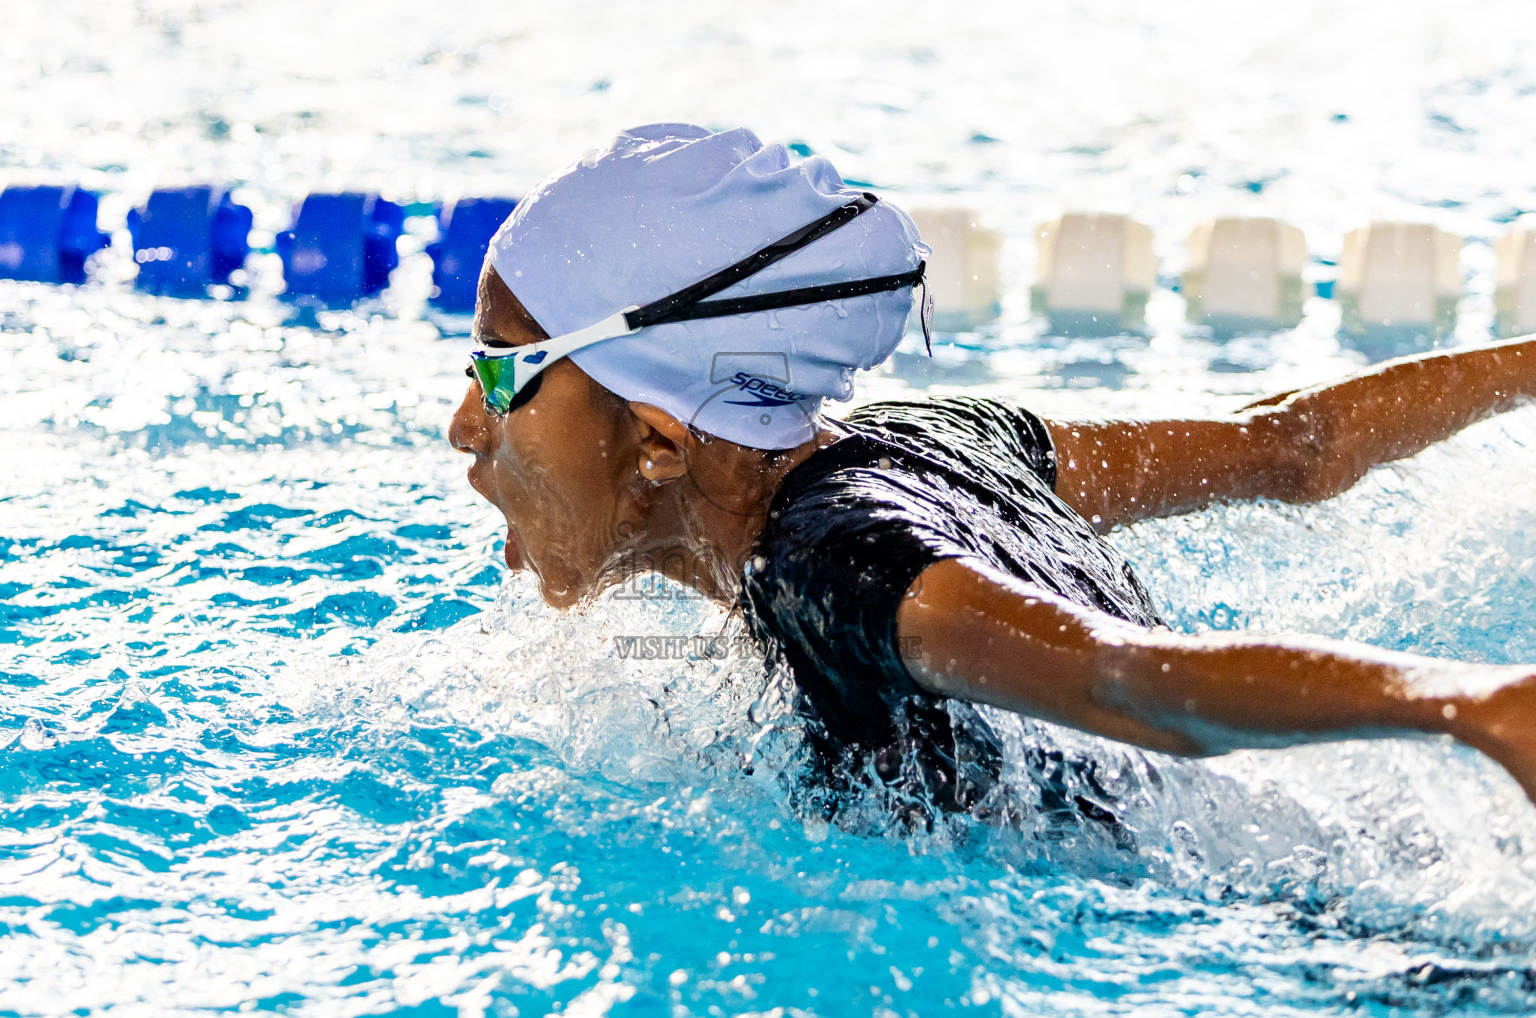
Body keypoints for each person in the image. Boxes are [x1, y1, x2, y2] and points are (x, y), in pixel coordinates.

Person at [447, 123, 1536, 819]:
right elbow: (1298, 446)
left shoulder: (832, 567)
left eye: (503, 375)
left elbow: (1127, 677)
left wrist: (1480, 705)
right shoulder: (937, 436)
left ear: (660, 440)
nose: (464, 424)